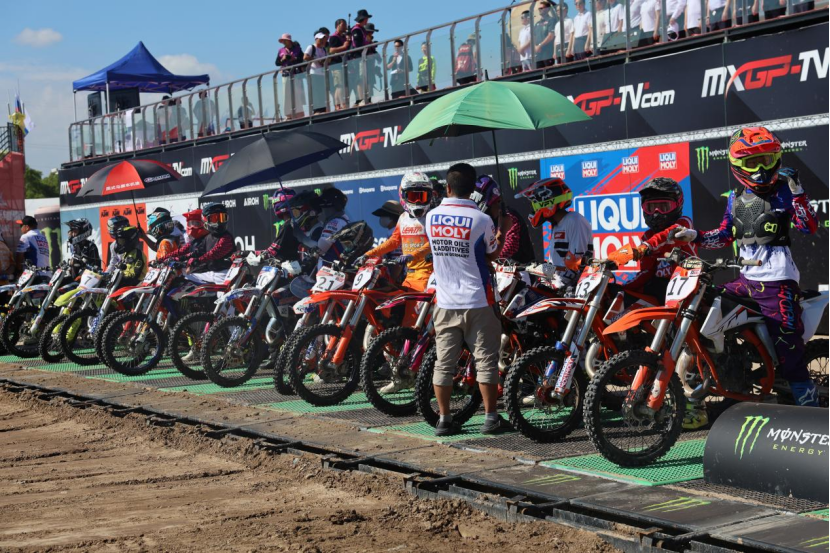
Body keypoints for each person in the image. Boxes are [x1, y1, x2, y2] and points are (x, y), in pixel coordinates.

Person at [672, 128, 819, 411]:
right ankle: (731, 373)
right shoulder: (734, 198)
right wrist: (695, 236)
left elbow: (808, 225)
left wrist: (798, 191)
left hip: (778, 283)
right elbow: (725, 234)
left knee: (788, 347)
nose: (761, 169)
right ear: (738, 165)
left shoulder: (786, 193)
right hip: (745, 280)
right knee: (704, 308)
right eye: (753, 163)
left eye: (766, 159)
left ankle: (807, 402)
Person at [426, 163, 512, 437]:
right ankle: (490, 418)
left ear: (448, 188)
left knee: (444, 363)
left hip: (445, 302)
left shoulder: (430, 217)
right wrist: (504, 228)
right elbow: (492, 255)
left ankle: (444, 419)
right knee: (485, 361)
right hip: (479, 301)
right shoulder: (482, 219)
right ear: (473, 189)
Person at [607, 178, 696, 298]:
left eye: (664, 207)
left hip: (688, 291)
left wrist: (646, 246)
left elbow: (667, 236)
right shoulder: (647, 236)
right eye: (651, 207)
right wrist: (622, 290)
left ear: (678, 205)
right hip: (660, 292)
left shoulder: (684, 224)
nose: (656, 213)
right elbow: (646, 273)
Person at [362, 172, 434, 292]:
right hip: (409, 275)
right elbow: (394, 241)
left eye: (423, 197)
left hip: (428, 275)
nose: (418, 201)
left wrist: (412, 255)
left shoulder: (433, 217)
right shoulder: (403, 217)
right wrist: (369, 254)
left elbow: (434, 242)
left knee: (411, 310)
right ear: (403, 195)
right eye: (413, 196)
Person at [514, 178, 593, 287]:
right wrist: (534, 268)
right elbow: (558, 266)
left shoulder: (574, 220)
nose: (534, 209)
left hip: (572, 289)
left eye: (535, 204)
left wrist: (552, 286)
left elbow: (576, 265)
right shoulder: (557, 224)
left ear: (547, 202)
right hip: (558, 284)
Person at [160, 204, 236, 284]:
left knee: (222, 297)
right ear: (205, 220)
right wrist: (164, 259)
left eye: (222, 218)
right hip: (210, 274)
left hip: (224, 274)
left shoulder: (226, 238)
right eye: (214, 218)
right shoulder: (208, 237)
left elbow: (213, 254)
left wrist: (196, 261)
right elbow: (195, 252)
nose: (218, 222)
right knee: (184, 283)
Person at [471, 176, 535, 264]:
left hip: (520, 271)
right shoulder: (480, 219)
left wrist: (481, 257)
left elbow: (507, 250)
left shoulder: (509, 217)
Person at [294, 188, 350, 266]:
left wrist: (301, 237)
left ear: (329, 206)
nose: (321, 210)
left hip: (332, 272)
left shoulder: (335, 222)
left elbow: (320, 249)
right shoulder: (343, 220)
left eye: (322, 207)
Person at [105, 216, 147, 286]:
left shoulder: (132, 245)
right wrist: (106, 274)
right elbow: (113, 262)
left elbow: (134, 274)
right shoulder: (113, 246)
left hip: (132, 281)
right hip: (119, 277)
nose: (122, 228)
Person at [276, 34, 306, 120]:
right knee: (287, 95)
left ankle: (299, 113)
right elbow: (277, 63)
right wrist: (283, 59)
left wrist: (294, 59)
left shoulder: (297, 49)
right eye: (283, 41)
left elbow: (301, 59)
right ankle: (289, 115)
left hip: (296, 74)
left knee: (297, 94)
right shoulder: (280, 50)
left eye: (285, 40)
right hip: (286, 74)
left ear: (289, 41)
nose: (284, 42)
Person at [348, 9, 372, 106]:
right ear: (364, 19)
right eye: (366, 18)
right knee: (360, 78)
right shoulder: (356, 29)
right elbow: (358, 45)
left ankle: (366, 98)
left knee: (365, 78)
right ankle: (361, 98)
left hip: (364, 57)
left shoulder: (362, 29)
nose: (367, 20)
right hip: (359, 57)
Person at [327, 19, 351, 110]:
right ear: (338, 25)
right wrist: (344, 47)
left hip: (342, 63)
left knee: (341, 85)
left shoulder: (343, 37)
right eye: (343, 25)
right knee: (339, 85)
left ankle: (339, 105)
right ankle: (341, 104)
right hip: (336, 64)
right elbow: (331, 50)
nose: (345, 27)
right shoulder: (334, 37)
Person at [305, 32, 329, 114]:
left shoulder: (324, 49)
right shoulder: (311, 47)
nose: (322, 41)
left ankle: (322, 109)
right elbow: (305, 57)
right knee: (315, 92)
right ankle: (316, 110)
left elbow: (326, 60)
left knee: (322, 91)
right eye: (321, 39)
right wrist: (316, 60)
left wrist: (323, 62)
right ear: (316, 39)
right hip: (314, 72)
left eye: (323, 39)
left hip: (321, 73)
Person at [535, 2, 557, 68]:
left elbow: (551, 36)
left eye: (541, 8)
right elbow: (533, 37)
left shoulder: (551, 20)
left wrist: (539, 45)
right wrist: (535, 47)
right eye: (539, 8)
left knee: (549, 72)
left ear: (547, 9)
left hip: (548, 52)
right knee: (538, 74)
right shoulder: (537, 23)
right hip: (538, 54)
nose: (540, 10)